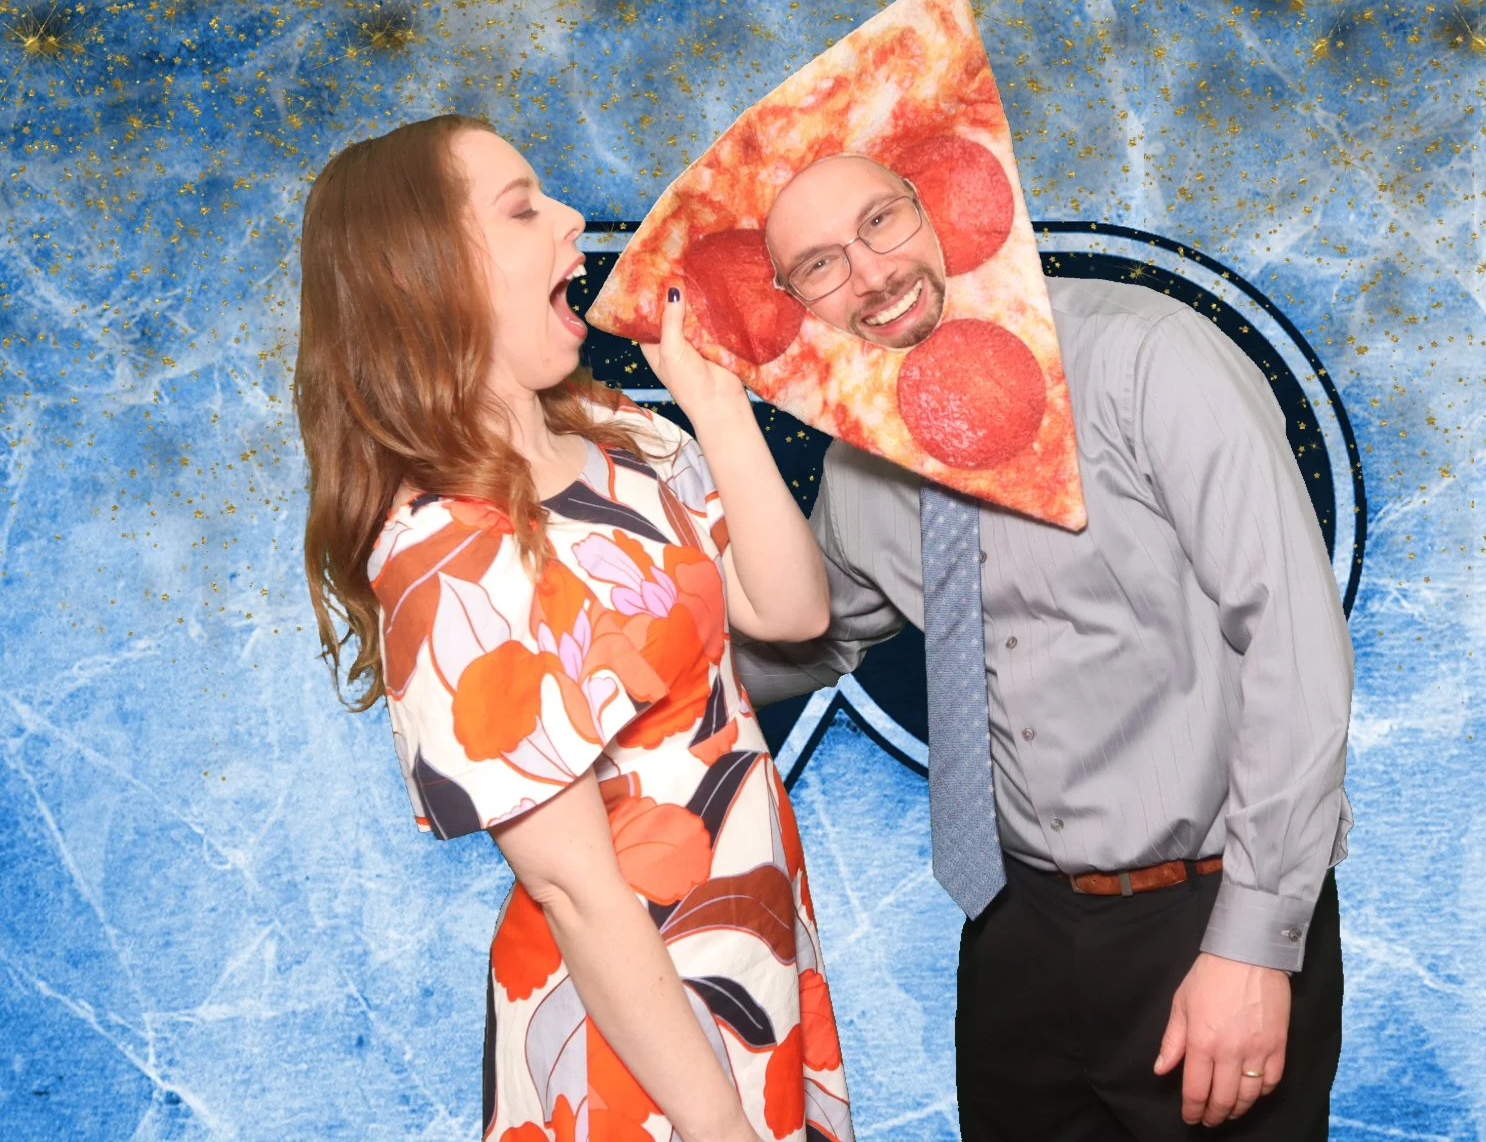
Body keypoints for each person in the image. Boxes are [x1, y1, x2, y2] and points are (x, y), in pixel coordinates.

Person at [734, 153, 1353, 1141]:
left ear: (942, 206)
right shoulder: (864, 465)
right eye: (818, 265)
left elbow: (1294, 642)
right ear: (798, 302)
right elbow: (805, 643)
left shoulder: (1148, 359)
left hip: (1203, 916)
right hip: (1013, 932)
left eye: (882, 222)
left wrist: (1256, 944)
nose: (870, 275)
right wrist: (623, 645)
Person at [295, 114, 856, 1142]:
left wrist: (718, 411)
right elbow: (574, 889)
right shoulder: (440, 557)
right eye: (522, 209)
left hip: (752, 954)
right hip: (635, 1032)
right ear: (429, 277)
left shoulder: (627, 439)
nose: (572, 221)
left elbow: (790, 611)